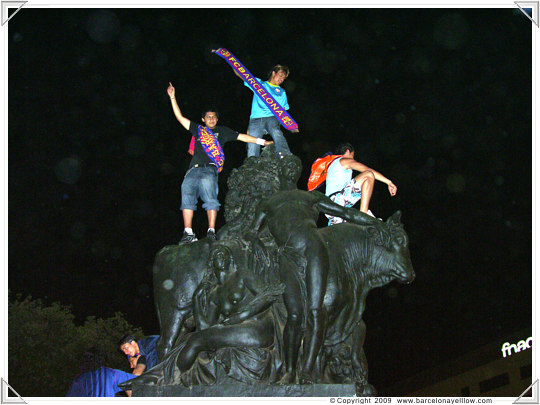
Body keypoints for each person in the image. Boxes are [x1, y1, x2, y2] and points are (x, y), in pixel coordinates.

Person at [250, 155, 383, 384]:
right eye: (287, 168)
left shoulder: (311, 196)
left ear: (298, 174)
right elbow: (251, 233)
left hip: (314, 250)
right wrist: (259, 247)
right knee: (294, 315)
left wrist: (374, 223)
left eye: (294, 168)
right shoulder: (269, 203)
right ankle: (290, 371)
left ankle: (308, 369)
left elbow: (347, 214)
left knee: (315, 312)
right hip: (288, 257)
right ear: (280, 174)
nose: (290, 171)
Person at [167, 82, 273, 244]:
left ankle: (211, 231)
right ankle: (188, 232)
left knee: (211, 199)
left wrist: (262, 142)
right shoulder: (198, 130)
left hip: (210, 170)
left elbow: (242, 137)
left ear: (217, 119)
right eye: (208, 117)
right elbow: (180, 118)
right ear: (203, 120)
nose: (211, 119)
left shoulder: (222, 131)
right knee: (187, 198)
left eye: (214, 117)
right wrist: (173, 97)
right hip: (192, 170)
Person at [233, 64, 299, 158]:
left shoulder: (282, 92)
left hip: (272, 118)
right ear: (273, 73)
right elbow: (241, 74)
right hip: (256, 119)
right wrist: (229, 59)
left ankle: (284, 155)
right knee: (252, 143)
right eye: (280, 75)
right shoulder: (259, 84)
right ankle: (252, 163)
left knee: (276, 131)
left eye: (284, 78)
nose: (282, 79)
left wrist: (291, 126)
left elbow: (284, 111)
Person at [325, 142, 397, 225]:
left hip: (330, 209)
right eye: (353, 156)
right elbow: (367, 169)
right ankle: (364, 214)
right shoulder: (344, 160)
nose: (353, 159)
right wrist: (389, 182)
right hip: (337, 201)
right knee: (368, 175)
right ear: (348, 151)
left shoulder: (332, 166)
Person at [66, 347, 136, 397]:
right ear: (102, 359)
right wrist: (141, 362)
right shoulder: (111, 374)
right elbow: (136, 379)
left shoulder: (80, 379)